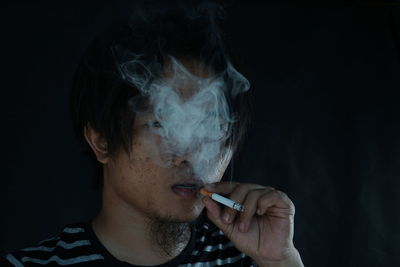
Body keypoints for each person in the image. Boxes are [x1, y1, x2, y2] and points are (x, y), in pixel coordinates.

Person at [2, 3, 304, 267]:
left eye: (209, 127)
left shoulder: (253, 261)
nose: (189, 153)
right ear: (101, 141)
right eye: (161, 125)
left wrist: (280, 261)